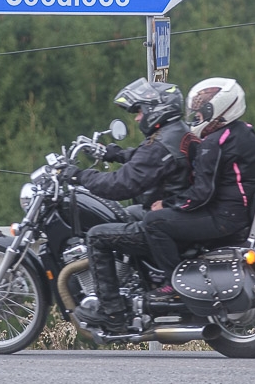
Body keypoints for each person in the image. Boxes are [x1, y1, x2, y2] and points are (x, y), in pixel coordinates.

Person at [69, 78, 197, 334]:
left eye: (140, 111)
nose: (138, 118)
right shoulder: (178, 132)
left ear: (156, 109)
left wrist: (79, 176)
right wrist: (115, 153)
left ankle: (112, 312)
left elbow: (122, 185)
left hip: (168, 221)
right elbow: (146, 159)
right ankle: (139, 281)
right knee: (124, 215)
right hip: (178, 214)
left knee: (97, 236)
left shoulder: (161, 143)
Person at [141, 77, 255, 301]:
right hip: (242, 215)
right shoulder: (244, 132)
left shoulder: (213, 143)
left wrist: (166, 204)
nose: (196, 117)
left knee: (154, 222)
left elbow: (201, 194)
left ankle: (173, 285)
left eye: (200, 112)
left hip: (224, 218)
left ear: (217, 108)